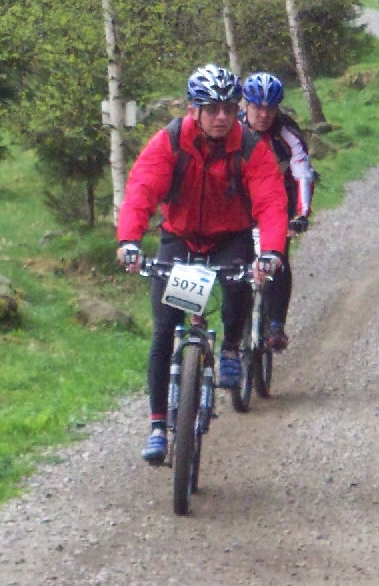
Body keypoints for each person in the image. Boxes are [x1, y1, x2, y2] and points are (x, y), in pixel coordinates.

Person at [116, 64, 288, 465]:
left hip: (230, 237)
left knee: (238, 284)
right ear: (193, 109)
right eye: (211, 109)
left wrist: (271, 252)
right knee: (165, 330)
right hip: (180, 239)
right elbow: (142, 189)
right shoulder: (171, 141)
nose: (221, 117)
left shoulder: (249, 146)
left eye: (228, 108)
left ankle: (231, 348)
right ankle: (158, 425)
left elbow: (270, 200)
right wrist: (129, 241)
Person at [240, 71, 315, 351]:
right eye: (258, 107)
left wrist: (300, 215)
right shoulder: (233, 130)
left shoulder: (287, 133)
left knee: (278, 258)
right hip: (242, 202)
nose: (264, 115)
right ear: (246, 105)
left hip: (280, 204)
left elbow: (303, 174)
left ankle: (275, 325)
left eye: (270, 108)